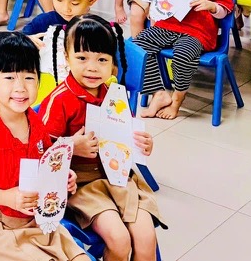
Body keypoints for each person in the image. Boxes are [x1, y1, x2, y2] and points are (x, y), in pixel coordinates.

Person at [0, 32, 86, 261]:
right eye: (9, 77)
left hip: (37, 219)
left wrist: (62, 176)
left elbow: (46, 163)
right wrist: (7, 198)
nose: (20, 88)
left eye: (29, 77)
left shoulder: (35, 122)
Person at [39, 16, 160, 261]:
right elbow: (39, 151)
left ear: (113, 63)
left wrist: (142, 144)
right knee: (119, 240)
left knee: (147, 239)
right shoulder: (59, 100)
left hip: (119, 177)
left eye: (102, 59)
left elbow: (126, 137)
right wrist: (71, 146)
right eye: (82, 58)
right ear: (66, 57)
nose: (92, 68)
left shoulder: (115, 96)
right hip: (81, 185)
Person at [132, 0, 235, 120]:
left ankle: (177, 100)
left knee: (183, 54)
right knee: (137, 46)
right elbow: (157, 1)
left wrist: (212, 6)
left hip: (198, 33)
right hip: (168, 26)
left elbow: (226, 10)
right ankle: (158, 93)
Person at [22, 0, 102, 101]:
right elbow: (17, 42)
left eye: (75, 3)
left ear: (92, 0)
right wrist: (27, 41)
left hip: (80, 95)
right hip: (44, 92)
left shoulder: (96, 29)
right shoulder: (44, 21)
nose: (66, 9)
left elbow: (111, 68)